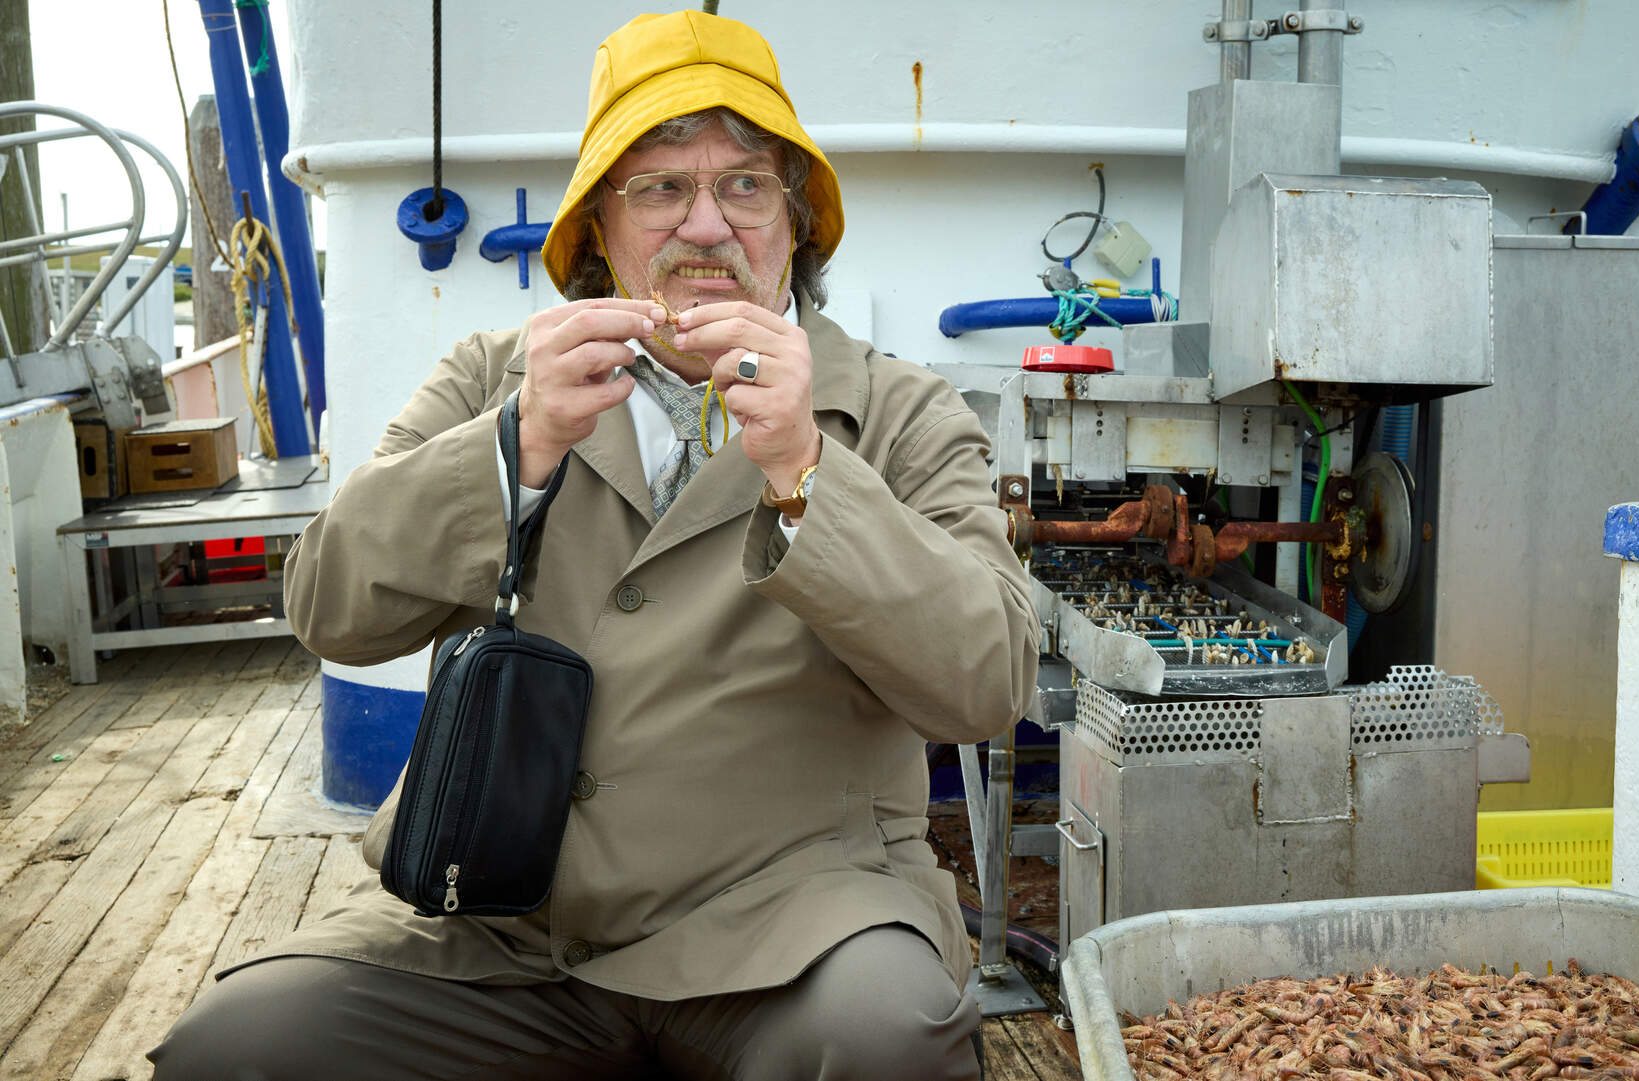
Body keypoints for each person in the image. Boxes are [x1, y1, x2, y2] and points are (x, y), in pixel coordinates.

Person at [148, 11, 1039, 1080]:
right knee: (238, 1048)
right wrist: (512, 449)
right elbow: (327, 607)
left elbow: (988, 682)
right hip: (504, 927)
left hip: (797, 924)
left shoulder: (901, 411)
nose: (705, 224)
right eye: (658, 187)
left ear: (796, 224)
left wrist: (808, 471)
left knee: (886, 1037)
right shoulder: (493, 378)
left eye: (745, 185)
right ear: (597, 231)